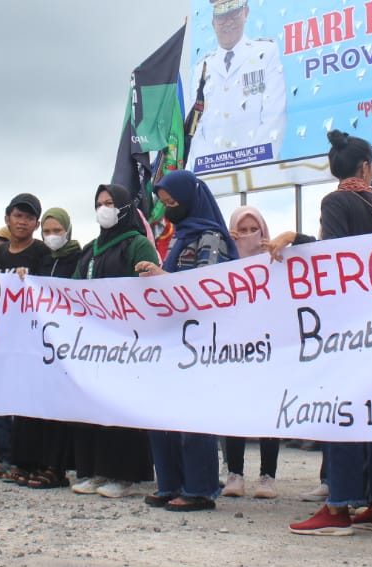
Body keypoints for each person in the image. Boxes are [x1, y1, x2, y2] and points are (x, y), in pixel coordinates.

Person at [279, 131, 372, 536]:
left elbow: (333, 257)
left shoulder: (335, 201)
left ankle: (339, 506)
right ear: (366, 167)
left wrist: (296, 240)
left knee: (343, 410)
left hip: (349, 326)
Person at [135, 169, 237, 512]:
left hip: (202, 340)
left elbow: (210, 287)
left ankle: (200, 488)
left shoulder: (211, 237)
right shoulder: (180, 237)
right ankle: (170, 483)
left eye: (173, 202)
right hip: (173, 338)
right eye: (164, 203)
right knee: (161, 415)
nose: (168, 208)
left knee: (194, 416)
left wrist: (162, 276)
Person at [69, 184, 157, 499]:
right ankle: (95, 471)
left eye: (110, 203)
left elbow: (148, 292)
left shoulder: (137, 245)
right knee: (92, 405)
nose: (104, 209)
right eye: (99, 203)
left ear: (124, 208)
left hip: (126, 342)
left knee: (120, 407)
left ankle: (122, 475)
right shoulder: (90, 250)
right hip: (92, 343)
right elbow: (74, 293)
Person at [6, 206, 83, 490]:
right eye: (47, 231)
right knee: (34, 403)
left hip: (68, 344)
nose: (52, 236)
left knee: (59, 408)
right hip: (40, 343)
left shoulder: (78, 256)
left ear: (68, 230)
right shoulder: (40, 257)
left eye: (57, 231)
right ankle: (30, 462)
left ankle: (56, 467)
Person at [186, 0, 286, 171]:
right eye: (222, 18)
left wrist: (251, 166)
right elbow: (195, 129)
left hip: (260, 170)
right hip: (212, 173)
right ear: (213, 23)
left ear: (246, 13)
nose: (228, 23)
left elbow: (274, 116)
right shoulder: (202, 67)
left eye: (234, 14)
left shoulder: (265, 52)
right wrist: (210, 169)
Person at [219, 205, 280, 500]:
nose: (247, 236)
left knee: (269, 412)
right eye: (240, 231)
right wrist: (226, 249)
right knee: (234, 410)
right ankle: (235, 474)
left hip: (269, 350)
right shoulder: (224, 263)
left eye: (252, 229)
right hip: (234, 350)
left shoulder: (277, 261)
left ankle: (268, 476)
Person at [0, 193, 50, 478]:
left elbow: (53, 290)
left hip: (30, 341)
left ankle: (24, 460)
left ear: (36, 224)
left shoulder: (42, 254)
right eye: (17, 215)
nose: (22, 221)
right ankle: (5, 456)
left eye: (28, 217)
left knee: (26, 400)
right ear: (7, 219)